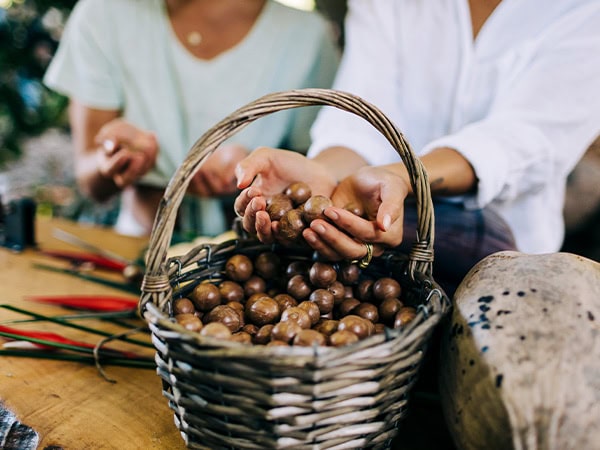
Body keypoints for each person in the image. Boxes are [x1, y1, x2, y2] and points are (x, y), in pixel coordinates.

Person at [233, 0, 600, 296]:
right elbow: (358, 120)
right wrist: (326, 174)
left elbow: (523, 140)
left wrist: (401, 177)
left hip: (509, 277)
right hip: (374, 267)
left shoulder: (583, 11)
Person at [43, 0, 339, 238]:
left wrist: (256, 168)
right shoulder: (103, 14)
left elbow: (321, 166)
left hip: (257, 257)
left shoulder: (308, 36)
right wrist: (115, 158)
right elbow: (90, 180)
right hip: (138, 247)